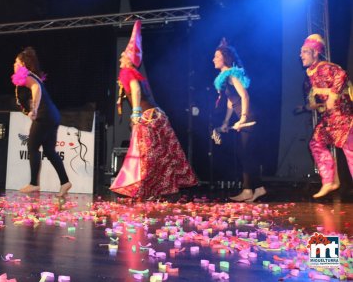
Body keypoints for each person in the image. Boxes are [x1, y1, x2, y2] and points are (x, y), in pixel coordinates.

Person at [110, 21, 198, 199]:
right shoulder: (137, 74)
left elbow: (134, 89)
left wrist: (135, 112)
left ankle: (146, 189)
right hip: (158, 115)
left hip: (148, 117)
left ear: (128, 60)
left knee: (146, 156)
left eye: (122, 57)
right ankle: (162, 190)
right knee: (163, 155)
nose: (120, 59)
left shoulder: (128, 72)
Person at [11, 47, 72, 197]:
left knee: (32, 146)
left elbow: (36, 89)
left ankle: (33, 183)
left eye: (16, 62)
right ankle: (65, 182)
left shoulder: (27, 76)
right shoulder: (31, 76)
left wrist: (35, 109)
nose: (14, 64)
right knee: (50, 151)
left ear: (23, 64)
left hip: (44, 115)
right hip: (52, 115)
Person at [300, 34, 353, 198]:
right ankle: (329, 181)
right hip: (331, 118)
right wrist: (312, 105)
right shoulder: (312, 72)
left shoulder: (324, 67)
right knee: (316, 143)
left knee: (350, 151)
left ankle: (331, 181)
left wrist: (333, 96)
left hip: (343, 116)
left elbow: (341, 75)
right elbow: (322, 93)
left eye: (304, 52)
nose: (300, 55)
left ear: (315, 53)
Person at [213, 39, 266, 202]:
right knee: (246, 153)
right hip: (244, 116)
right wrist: (225, 122)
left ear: (224, 59)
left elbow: (244, 95)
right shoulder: (226, 79)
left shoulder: (232, 75)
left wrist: (243, 118)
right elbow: (231, 102)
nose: (213, 59)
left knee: (245, 153)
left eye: (216, 56)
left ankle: (248, 190)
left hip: (249, 116)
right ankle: (257, 188)